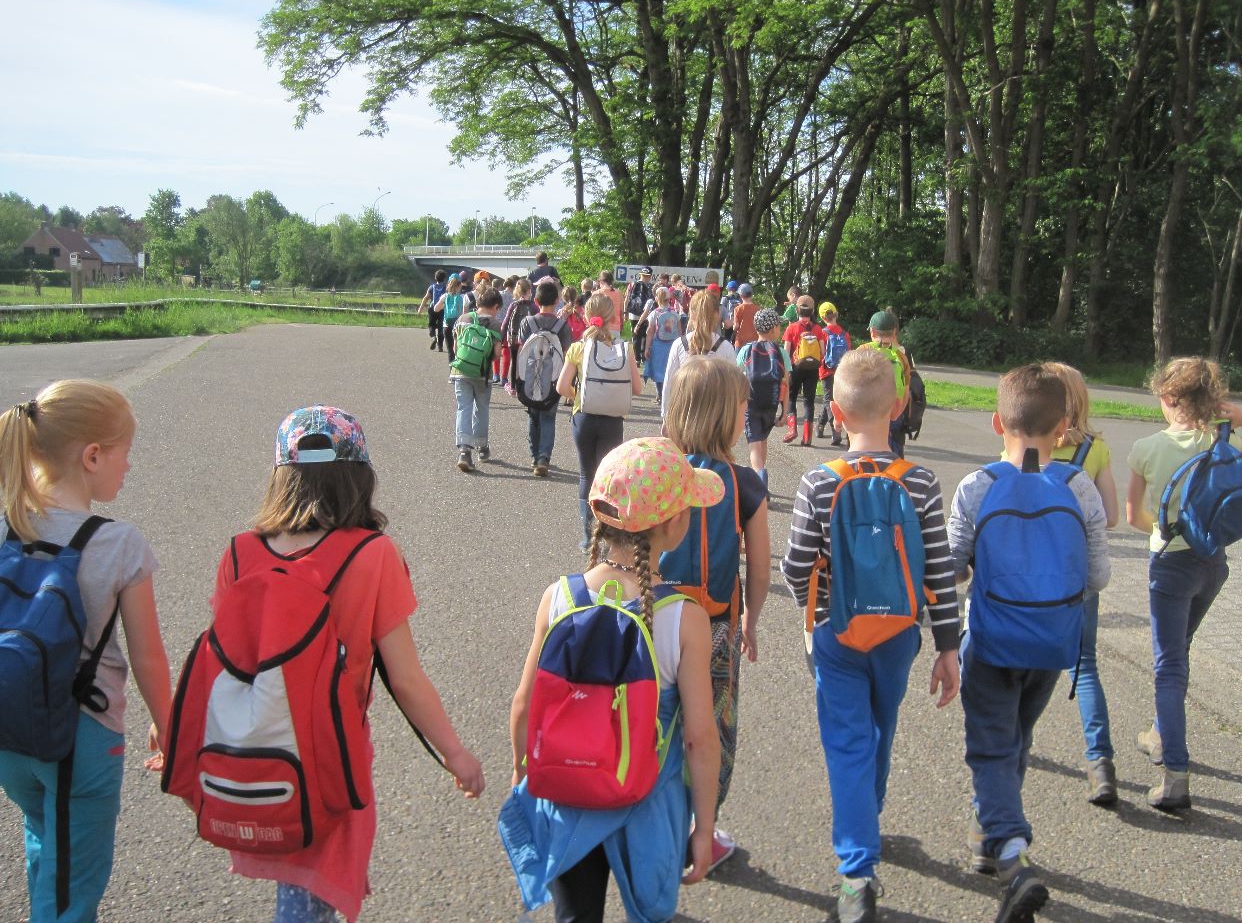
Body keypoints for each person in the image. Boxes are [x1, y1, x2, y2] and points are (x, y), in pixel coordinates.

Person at [211, 405, 484, 921]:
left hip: (254, 753)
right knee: (309, 896)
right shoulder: (373, 555)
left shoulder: (241, 552)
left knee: (297, 880)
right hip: (332, 755)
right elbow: (405, 676)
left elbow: (224, 657)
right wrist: (453, 751)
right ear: (360, 477)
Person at [500, 437, 720, 922]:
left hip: (567, 792)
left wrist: (522, 773)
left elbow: (523, 705)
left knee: (575, 915)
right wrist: (703, 828)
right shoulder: (684, 618)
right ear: (675, 523)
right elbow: (701, 738)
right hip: (647, 799)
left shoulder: (557, 598)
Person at [780, 349, 961, 923]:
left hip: (837, 632)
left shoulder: (818, 481)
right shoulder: (924, 484)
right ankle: (870, 812)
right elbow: (939, 569)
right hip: (900, 633)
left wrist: (811, 614)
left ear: (834, 410)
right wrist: (949, 645)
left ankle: (857, 873)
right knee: (881, 728)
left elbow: (795, 563)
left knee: (847, 742)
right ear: (901, 406)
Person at [0, 380, 173, 923]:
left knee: (45, 835)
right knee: (74, 884)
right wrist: (170, 728)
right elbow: (148, 658)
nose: (128, 468)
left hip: (9, 727)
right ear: (92, 455)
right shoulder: (119, 543)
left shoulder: (8, 524)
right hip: (83, 737)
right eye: (126, 454)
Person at [948, 364, 1110, 923]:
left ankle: (1013, 856)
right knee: (1016, 737)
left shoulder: (978, 486)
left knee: (991, 745)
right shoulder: (1079, 485)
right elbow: (1098, 577)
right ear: (1064, 428)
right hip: (1052, 643)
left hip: (992, 639)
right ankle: (983, 835)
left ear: (997, 421)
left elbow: (953, 567)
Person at [1126, 357, 1242, 810]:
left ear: (1169, 397)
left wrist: (1168, 526)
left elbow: (1135, 517)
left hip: (1171, 568)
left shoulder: (1146, 447)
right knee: (1181, 648)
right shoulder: (1224, 442)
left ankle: (1175, 774)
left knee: (1167, 665)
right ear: (1212, 401)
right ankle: (1159, 732)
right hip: (1213, 565)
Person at [662, 358, 770, 872]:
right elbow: (762, 568)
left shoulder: (658, 471)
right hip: (717, 624)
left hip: (655, 619)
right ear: (727, 416)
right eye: (742, 406)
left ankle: (653, 815)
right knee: (713, 728)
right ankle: (699, 825)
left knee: (656, 717)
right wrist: (750, 619)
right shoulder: (745, 483)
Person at [1031, 362, 1121, 805]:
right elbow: (1112, 517)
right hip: (1078, 579)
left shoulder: (1027, 442)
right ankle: (1100, 761)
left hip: (1029, 578)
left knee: (1021, 661)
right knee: (1084, 667)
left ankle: (1015, 740)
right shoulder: (1096, 450)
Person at [555, 293, 644, 549]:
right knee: (607, 477)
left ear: (586, 316)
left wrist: (579, 396)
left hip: (584, 418)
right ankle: (606, 533)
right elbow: (637, 388)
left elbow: (562, 387)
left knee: (586, 474)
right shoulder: (624, 348)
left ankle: (586, 537)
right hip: (612, 421)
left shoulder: (578, 348)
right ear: (613, 318)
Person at [517, 280, 573, 476]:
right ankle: (543, 457)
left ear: (535, 300)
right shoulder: (562, 325)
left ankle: (534, 456)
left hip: (531, 377)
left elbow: (521, 349)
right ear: (558, 301)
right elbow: (567, 353)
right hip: (553, 378)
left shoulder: (527, 322)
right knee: (549, 417)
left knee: (533, 416)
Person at [660, 290, 738, 419]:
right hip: (714, 417)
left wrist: (666, 416)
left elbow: (669, 382)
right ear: (717, 315)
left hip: (683, 413)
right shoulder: (726, 347)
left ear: (691, 314)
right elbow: (733, 388)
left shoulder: (679, 344)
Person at [736, 307, 790, 494]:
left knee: (754, 444)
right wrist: (785, 412)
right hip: (771, 404)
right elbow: (785, 384)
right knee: (763, 440)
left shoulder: (746, 350)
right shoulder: (781, 353)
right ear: (774, 329)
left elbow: (738, 378)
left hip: (750, 404)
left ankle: (759, 475)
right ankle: (760, 480)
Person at [451, 288, 504, 472]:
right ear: (495, 306)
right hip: (482, 374)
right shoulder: (495, 324)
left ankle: (464, 451)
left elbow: (456, 346)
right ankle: (482, 448)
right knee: (481, 409)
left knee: (463, 408)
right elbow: (497, 354)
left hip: (460, 370)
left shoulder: (463, 319)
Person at [861, 310, 913, 456]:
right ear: (894, 332)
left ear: (872, 331)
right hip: (894, 413)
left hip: (868, 414)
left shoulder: (863, 351)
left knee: (868, 457)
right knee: (894, 457)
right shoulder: (901, 357)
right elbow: (906, 390)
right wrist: (897, 414)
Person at [782, 295, 826, 445]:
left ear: (797, 310)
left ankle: (792, 429)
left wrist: (785, 370)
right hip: (812, 369)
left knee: (791, 398)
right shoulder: (818, 329)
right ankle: (807, 437)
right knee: (809, 400)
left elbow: (786, 351)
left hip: (795, 367)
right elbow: (823, 351)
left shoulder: (791, 328)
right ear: (812, 311)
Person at [816, 302, 850, 448]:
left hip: (826, 370)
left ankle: (835, 432)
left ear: (823, 317)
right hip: (842, 370)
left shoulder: (822, 333)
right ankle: (819, 425)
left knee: (829, 399)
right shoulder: (844, 333)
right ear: (836, 314)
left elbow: (820, 353)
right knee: (831, 399)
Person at [500, 279, 536, 390]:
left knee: (514, 362)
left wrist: (501, 338)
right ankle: (527, 386)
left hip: (514, 338)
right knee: (529, 362)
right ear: (529, 290)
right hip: (528, 339)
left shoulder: (513, 305)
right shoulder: (533, 306)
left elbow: (505, 323)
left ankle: (514, 387)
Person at [434, 276, 472, 364]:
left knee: (450, 351)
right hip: (459, 326)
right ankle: (458, 371)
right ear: (459, 287)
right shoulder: (463, 297)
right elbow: (465, 313)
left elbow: (436, 309)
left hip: (447, 326)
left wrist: (444, 306)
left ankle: (451, 373)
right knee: (459, 349)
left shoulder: (445, 296)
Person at [625, 266, 654, 360]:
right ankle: (643, 357)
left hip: (633, 314)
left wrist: (625, 312)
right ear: (650, 276)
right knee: (645, 336)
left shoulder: (632, 284)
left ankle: (636, 358)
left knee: (636, 337)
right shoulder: (650, 287)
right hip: (646, 315)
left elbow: (627, 299)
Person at [416, 270, 448, 352]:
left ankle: (433, 336)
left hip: (432, 308)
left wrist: (420, 308)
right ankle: (440, 346)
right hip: (442, 309)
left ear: (435, 278)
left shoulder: (432, 287)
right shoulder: (446, 287)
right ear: (444, 278)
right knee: (441, 327)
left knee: (431, 325)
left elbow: (426, 298)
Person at [595, 270, 625, 335]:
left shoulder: (596, 294)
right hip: (616, 328)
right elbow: (621, 311)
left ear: (601, 281)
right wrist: (622, 325)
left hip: (600, 328)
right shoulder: (618, 293)